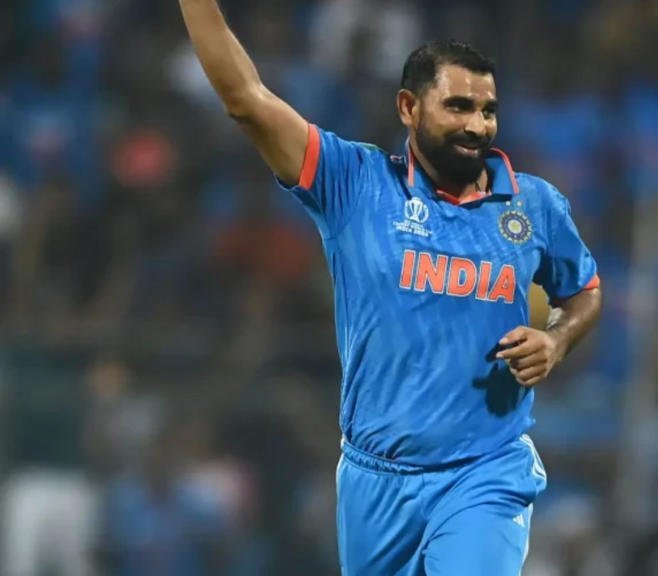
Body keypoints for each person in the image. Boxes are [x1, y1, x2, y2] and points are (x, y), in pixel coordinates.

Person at [178, 2, 602, 574]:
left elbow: (584, 291)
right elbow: (245, 100)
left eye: (488, 110)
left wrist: (557, 339)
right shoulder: (353, 183)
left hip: (485, 469)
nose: (478, 125)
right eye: (458, 106)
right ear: (408, 107)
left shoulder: (535, 206)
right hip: (372, 479)